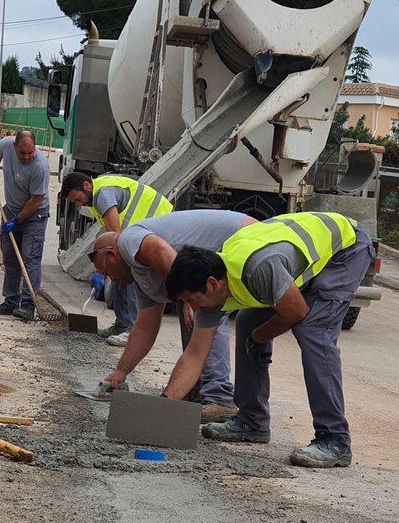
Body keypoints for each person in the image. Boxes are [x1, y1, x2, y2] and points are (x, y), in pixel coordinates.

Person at [163, 211, 375, 467]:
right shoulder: (214, 285)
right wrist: (163, 408)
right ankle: (252, 421)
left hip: (345, 249)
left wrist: (260, 336)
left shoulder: (257, 267)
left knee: (313, 330)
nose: (192, 308)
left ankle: (335, 439)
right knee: (247, 320)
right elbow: (194, 356)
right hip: (298, 259)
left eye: (192, 300)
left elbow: (296, 311)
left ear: (211, 284)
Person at [91, 209, 256, 422]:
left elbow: (160, 250)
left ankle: (219, 397)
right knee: (192, 307)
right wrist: (121, 372)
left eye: (106, 272)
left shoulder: (128, 240)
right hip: (218, 250)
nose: (112, 280)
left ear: (112, 255)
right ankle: (195, 390)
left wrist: (189, 297)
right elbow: (144, 329)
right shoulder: (141, 277)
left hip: (242, 236)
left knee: (204, 307)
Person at [61, 171, 173, 346]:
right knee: (118, 273)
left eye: (77, 198)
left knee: (128, 273)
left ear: (86, 186)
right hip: (143, 229)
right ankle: (122, 325)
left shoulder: (102, 194)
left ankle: (133, 330)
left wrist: (105, 266)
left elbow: (114, 236)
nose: (78, 204)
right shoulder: (96, 194)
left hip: (159, 225)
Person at [0, 130, 50, 321]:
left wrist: (16, 221)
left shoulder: (40, 166)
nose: (27, 156)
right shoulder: (6, 144)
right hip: (12, 209)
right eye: (23, 153)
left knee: (30, 258)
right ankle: (11, 301)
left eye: (30, 152)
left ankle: (29, 305)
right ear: (14, 146)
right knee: (10, 258)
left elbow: (35, 200)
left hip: (35, 215)